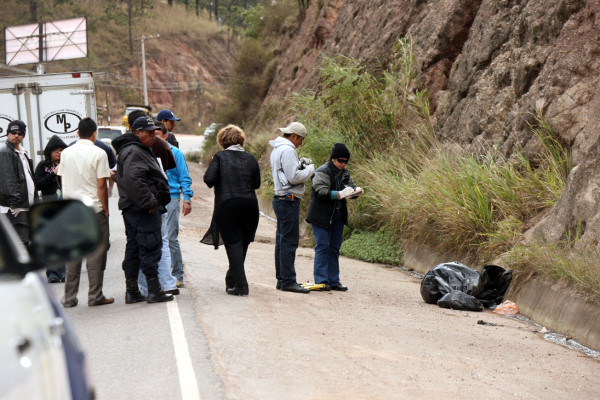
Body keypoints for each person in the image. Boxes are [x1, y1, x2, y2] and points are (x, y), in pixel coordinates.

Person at [112, 116, 174, 304]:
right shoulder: (134, 151)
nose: (153, 135)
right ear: (137, 132)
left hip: (133, 208)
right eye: (148, 132)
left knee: (135, 248)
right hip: (142, 210)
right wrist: (150, 202)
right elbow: (134, 179)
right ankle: (154, 290)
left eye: (154, 131)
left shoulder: (134, 149)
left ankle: (132, 291)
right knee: (149, 246)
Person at [58, 117, 114, 307]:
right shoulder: (99, 153)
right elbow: (101, 185)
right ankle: (95, 296)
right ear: (94, 133)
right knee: (96, 254)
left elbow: (62, 178)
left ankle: (69, 298)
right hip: (93, 209)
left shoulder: (65, 153)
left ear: (77, 133)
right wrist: (106, 209)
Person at [202, 125, 260, 296]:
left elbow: (209, 180)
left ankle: (241, 285)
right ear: (241, 140)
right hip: (250, 205)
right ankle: (232, 280)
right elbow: (256, 184)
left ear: (222, 141)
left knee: (233, 244)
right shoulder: (251, 158)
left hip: (227, 204)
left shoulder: (220, 157)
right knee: (242, 243)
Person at [306, 143, 361, 292]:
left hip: (337, 215)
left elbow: (351, 186)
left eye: (346, 161)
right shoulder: (322, 171)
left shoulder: (345, 172)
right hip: (321, 215)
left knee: (335, 248)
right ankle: (321, 281)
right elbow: (321, 192)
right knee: (323, 247)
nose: (343, 164)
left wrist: (356, 192)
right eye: (341, 161)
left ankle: (334, 281)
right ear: (333, 159)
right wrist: (339, 194)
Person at [269, 121, 315, 293]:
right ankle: (288, 280)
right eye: (300, 140)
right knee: (289, 241)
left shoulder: (277, 148)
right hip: (288, 200)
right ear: (294, 136)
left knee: (282, 241)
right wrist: (310, 169)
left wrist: (300, 165)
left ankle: (282, 279)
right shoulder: (288, 150)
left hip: (281, 198)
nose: (300, 143)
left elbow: (287, 174)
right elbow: (294, 177)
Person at [137, 122, 180, 297]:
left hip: (147, 202)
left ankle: (146, 287)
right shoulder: (161, 144)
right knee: (162, 242)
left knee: (146, 244)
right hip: (160, 198)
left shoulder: (133, 148)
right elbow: (171, 166)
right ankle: (167, 283)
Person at [162, 119, 193, 288]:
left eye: (158, 134)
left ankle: (178, 275)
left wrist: (187, 199)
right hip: (154, 199)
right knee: (158, 238)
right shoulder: (148, 152)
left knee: (171, 237)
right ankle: (162, 274)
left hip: (172, 198)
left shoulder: (176, 153)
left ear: (165, 136)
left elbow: (184, 177)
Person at [34, 134, 68, 283]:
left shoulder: (68, 163)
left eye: (61, 150)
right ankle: (52, 272)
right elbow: (38, 184)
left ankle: (63, 272)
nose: (59, 153)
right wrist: (53, 174)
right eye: (56, 150)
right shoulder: (43, 166)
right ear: (50, 152)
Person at [0, 120, 36, 245]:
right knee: (21, 243)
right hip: (16, 209)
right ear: (7, 134)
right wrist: (15, 204)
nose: (16, 135)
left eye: (20, 133)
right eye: (13, 132)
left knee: (25, 242)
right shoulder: (5, 152)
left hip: (25, 207)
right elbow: (8, 180)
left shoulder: (22, 152)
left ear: (23, 135)